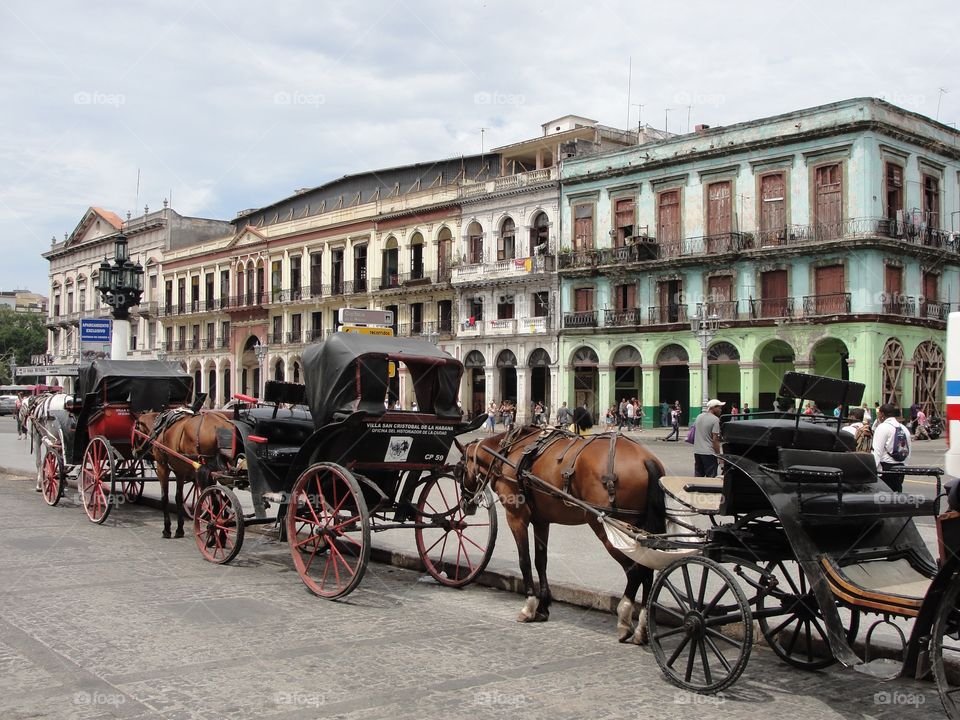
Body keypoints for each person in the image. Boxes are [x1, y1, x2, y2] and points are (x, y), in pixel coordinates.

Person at [872, 403, 911, 492]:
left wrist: (873, 470)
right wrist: (905, 466)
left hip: (885, 468)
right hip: (901, 467)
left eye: (879, 414)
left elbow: (877, 451)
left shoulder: (882, 427)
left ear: (882, 414)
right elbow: (908, 450)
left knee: (884, 496)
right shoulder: (904, 428)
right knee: (897, 495)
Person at [693, 399, 724, 477]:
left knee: (698, 476)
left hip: (697, 452)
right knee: (711, 477)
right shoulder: (715, 420)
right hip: (709, 453)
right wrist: (719, 456)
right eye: (719, 408)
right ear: (713, 408)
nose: (720, 410)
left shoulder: (699, 416)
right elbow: (715, 440)